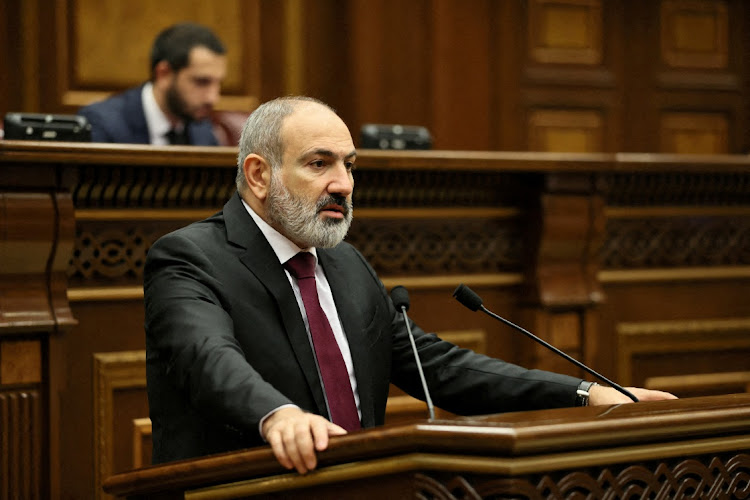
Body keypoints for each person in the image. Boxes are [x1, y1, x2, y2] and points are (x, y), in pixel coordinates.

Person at [144, 96, 676, 474]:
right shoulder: (190, 258)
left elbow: (441, 368)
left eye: (350, 166)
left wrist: (587, 395)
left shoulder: (345, 264)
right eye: (319, 164)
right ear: (259, 175)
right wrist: (277, 414)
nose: (343, 185)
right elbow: (207, 358)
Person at [78, 22, 227, 145]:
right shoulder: (103, 125)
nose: (213, 98)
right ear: (164, 74)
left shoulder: (203, 131)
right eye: (202, 82)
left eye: (218, 83)